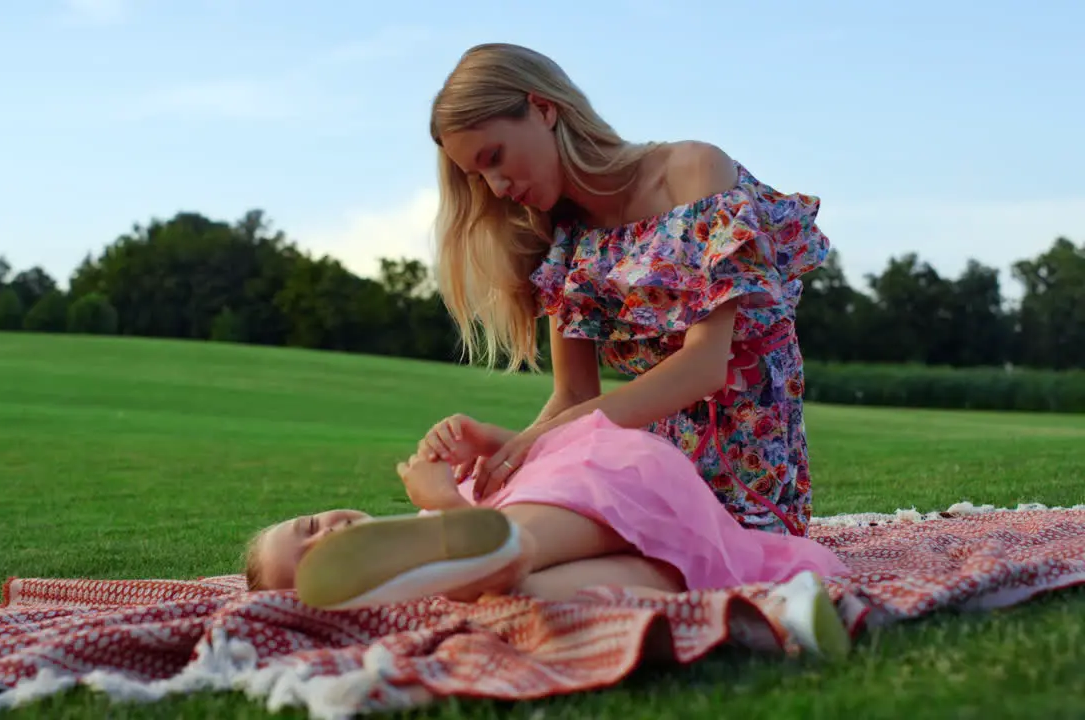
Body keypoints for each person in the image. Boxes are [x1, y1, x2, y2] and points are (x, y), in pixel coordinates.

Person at [418, 43, 832, 538]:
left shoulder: (692, 173)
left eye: (495, 157)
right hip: (641, 472)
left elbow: (705, 365)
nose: (498, 185)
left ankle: (475, 552)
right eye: (479, 176)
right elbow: (573, 395)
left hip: (745, 483)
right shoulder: (567, 243)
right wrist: (509, 451)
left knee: (554, 546)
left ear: (543, 108)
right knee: (493, 510)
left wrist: (538, 444)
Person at [244, 410, 852, 659]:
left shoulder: (441, 495)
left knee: (509, 558)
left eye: (309, 527)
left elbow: (559, 469)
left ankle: (489, 550)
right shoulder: (439, 605)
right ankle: (773, 617)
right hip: (666, 553)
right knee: (524, 600)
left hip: (623, 481)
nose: (324, 535)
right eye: (313, 557)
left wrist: (482, 452)